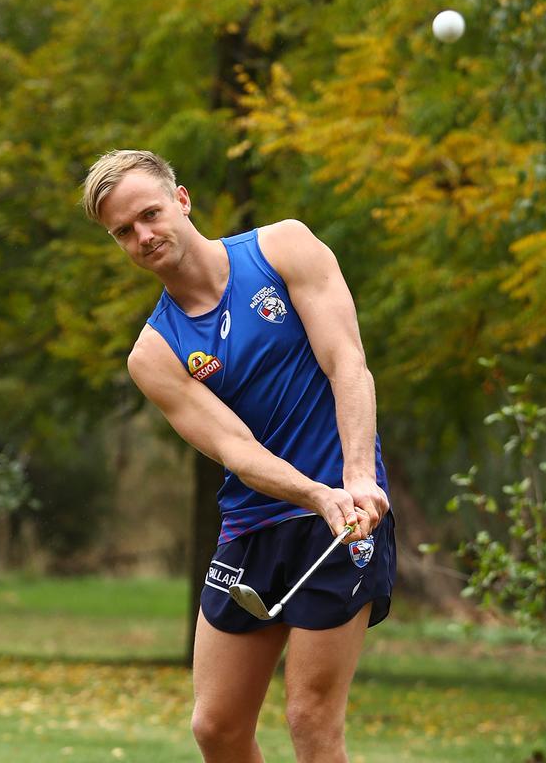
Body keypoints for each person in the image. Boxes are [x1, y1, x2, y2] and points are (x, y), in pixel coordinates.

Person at [81, 150, 395, 763]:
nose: (143, 236)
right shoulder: (155, 354)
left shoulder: (283, 249)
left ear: (183, 200)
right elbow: (237, 450)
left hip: (344, 518)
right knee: (216, 728)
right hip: (257, 522)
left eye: (149, 214)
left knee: (310, 718)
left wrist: (355, 476)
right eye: (124, 231)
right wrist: (314, 492)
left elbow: (347, 362)